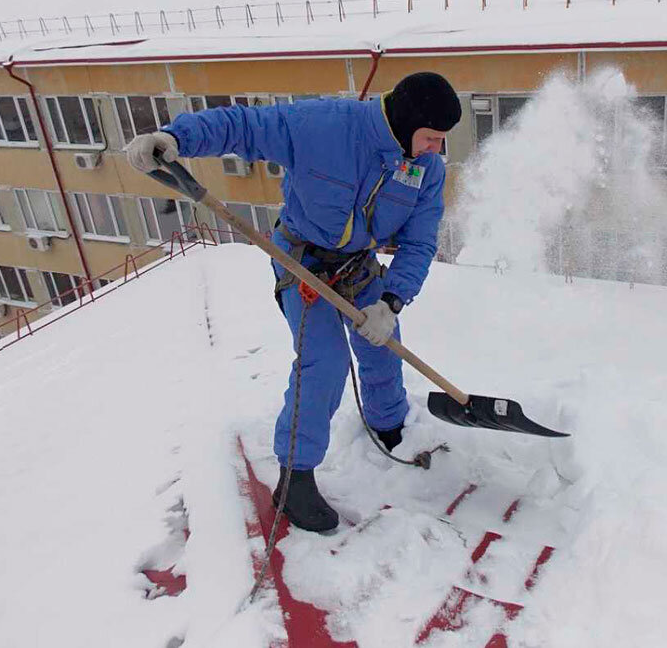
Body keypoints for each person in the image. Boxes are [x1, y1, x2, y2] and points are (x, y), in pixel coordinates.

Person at [127, 72, 462, 532]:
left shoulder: (425, 168)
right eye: (431, 137)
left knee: (383, 345)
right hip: (303, 259)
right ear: (406, 123)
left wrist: (391, 301)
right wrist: (175, 138)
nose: (435, 149)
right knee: (324, 363)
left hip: (359, 265)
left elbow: (419, 241)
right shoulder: (323, 125)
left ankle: (389, 425)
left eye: (441, 141)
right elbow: (245, 126)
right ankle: (295, 477)